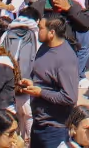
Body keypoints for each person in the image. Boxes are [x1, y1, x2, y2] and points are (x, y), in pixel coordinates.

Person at [19, 14, 80, 148]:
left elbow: (70, 97)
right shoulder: (44, 47)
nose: (37, 30)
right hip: (38, 123)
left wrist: (41, 93)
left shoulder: (65, 59)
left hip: (55, 129)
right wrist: (31, 84)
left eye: (40, 28)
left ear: (51, 32)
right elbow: (43, 78)